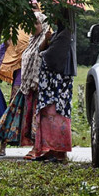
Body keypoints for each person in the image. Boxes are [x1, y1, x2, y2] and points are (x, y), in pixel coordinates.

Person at [0, 12, 48, 154]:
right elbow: (5, 48)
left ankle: (37, 147)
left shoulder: (46, 38)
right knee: (13, 111)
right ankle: (2, 146)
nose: (33, 25)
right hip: (22, 79)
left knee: (34, 115)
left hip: (36, 83)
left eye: (36, 22)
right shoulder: (22, 33)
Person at [26, 11, 76, 163]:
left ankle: (60, 153)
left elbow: (51, 56)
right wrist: (46, 40)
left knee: (57, 116)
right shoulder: (57, 34)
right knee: (48, 116)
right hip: (49, 87)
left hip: (58, 87)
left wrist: (44, 52)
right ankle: (49, 149)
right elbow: (40, 50)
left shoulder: (65, 35)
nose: (53, 17)